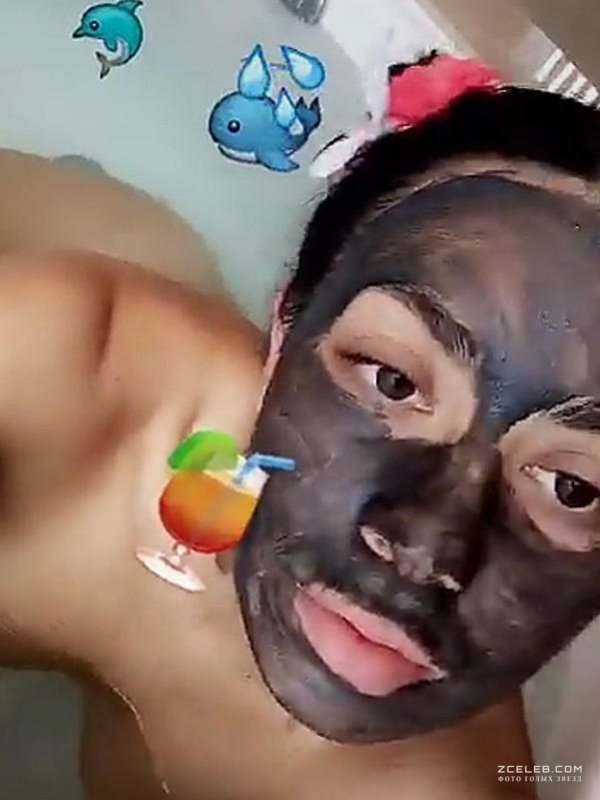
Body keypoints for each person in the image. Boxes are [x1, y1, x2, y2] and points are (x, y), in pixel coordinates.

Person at [8, 55, 600, 797]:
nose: (425, 550)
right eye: (391, 381)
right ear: (286, 329)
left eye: (574, 487)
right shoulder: (62, 376)